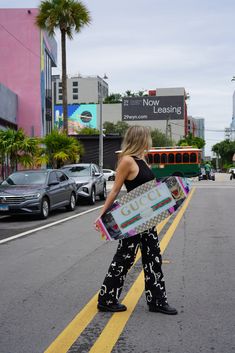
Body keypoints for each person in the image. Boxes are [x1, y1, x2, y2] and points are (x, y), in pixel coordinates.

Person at [94, 126, 178, 315]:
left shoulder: (142, 160)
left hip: (147, 219)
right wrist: (103, 215)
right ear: (140, 139)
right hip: (132, 221)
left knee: (153, 258)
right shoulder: (127, 161)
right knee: (124, 258)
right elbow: (115, 190)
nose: (150, 140)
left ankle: (156, 300)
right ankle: (107, 299)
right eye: (148, 137)